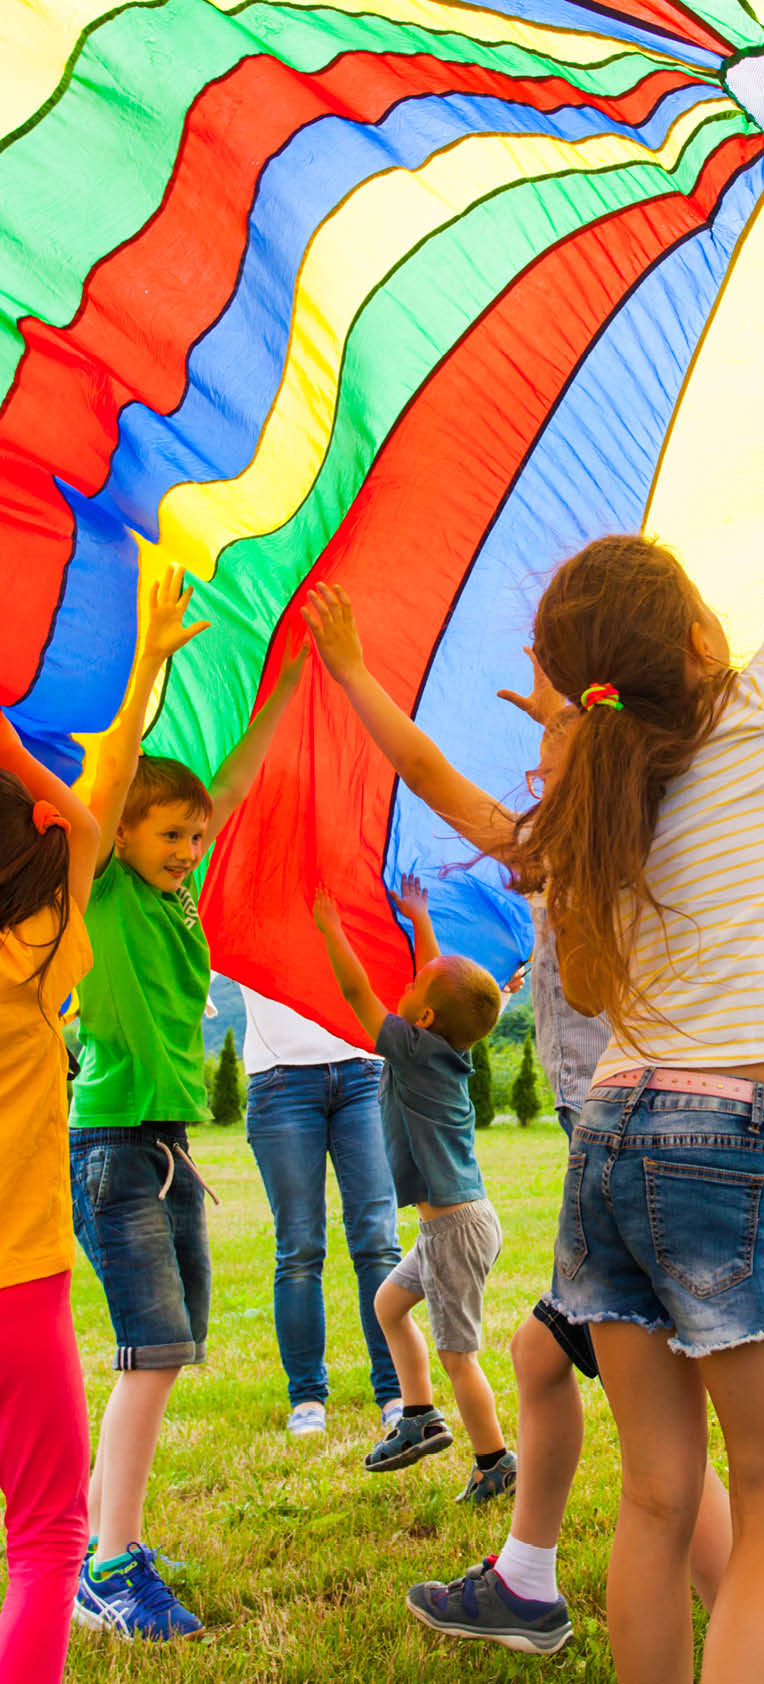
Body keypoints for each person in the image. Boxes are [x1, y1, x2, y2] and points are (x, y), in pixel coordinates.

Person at [495, 243, 764, 1684]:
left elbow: (595, 998)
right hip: (732, 1141)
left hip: (611, 1133)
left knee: (659, 1500)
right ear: (698, 638)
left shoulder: (601, 788)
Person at [299, 608, 732, 1653]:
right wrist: (569, 717)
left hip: (623, 1147)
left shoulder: (574, 851)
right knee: (543, 1357)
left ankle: (749, 1612)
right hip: (635, 1146)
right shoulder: (643, 837)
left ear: (589, 770)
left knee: (655, 1434)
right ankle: (530, 1583)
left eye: (550, 746)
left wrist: (356, 672)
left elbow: (427, 767)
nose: (532, 762)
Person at [70, 566, 305, 1641]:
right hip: (114, 1147)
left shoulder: (175, 898)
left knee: (167, 1354)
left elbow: (237, 784)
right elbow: (114, 773)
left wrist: (293, 679)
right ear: (121, 836)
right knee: (150, 1355)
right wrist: (151, 661)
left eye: (193, 838)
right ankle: (107, 1564)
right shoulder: (107, 887)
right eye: (167, 833)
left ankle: (112, 1544)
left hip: (164, 1149)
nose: (185, 849)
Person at [312, 874, 515, 1502]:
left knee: (460, 1354)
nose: (401, 988)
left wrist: (331, 929)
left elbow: (355, 990)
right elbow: (434, 972)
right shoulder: (444, 1046)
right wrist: (418, 918)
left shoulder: (409, 1047)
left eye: (410, 990)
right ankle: (419, 1418)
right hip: (448, 1223)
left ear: (422, 1017)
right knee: (388, 1307)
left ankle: (495, 1462)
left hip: (454, 1228)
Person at [0, 716, 99, 1683]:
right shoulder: (34, 957)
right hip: (18, 1292)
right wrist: (18, 753)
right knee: (44, 1538)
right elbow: (91, 830)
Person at [240, 987, 402, 1437]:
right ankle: (307, 1398)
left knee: (378, 1241)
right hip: (280, 1081)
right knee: (299, 1247)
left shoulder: (351, 911)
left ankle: (395, 1393)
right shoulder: (249, 914)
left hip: (364, 1072)